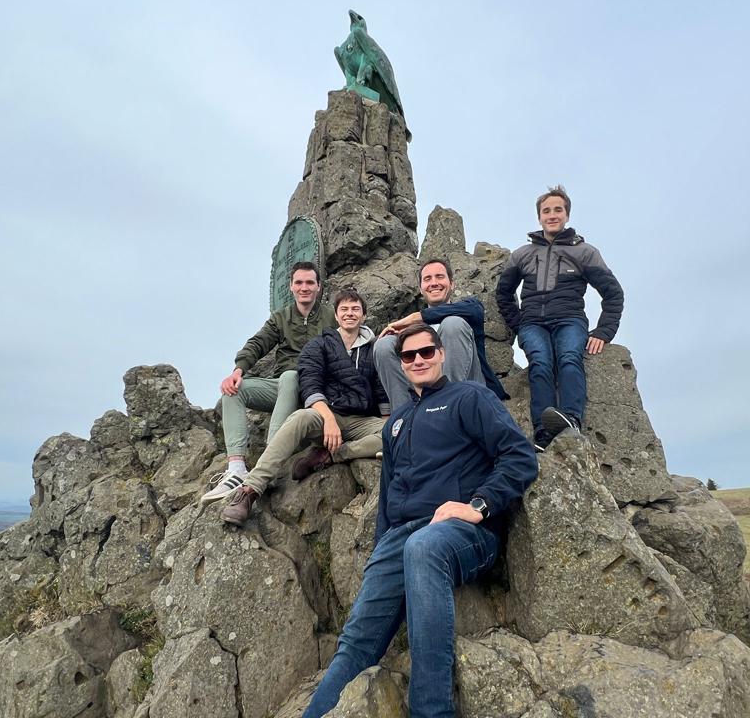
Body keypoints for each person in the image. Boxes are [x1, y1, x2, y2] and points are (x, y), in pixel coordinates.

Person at [303, 323, 537, 718]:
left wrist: (478, 505)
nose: (418, 361)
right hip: (401, 538)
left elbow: (519, 456)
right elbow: (388, 494)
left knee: (423, 546)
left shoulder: (471, 397)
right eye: (409, 356)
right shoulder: (397, 421)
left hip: (462, 533)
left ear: (441, 353)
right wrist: (381, 549)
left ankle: (432, 712)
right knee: (357, 639)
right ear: (401, 364)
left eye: (426, 352)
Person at [220, 289, 389, 525]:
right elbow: (310, 384)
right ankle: (250, 490)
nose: (350, 314)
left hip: (361, 419)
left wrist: (387, 422)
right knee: (299, 418)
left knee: (394, 432)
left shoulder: (374, 349)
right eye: (344, 309)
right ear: (337, 316)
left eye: (355, 309)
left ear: (363, 315)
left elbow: (381, 388)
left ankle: (335, 455)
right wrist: (329, 420)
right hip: (325, 414)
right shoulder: (319, 344)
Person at [496, 185, 624, 450]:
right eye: (546, 211)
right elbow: (503, 293)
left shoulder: (584, 252)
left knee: (568, 359)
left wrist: (603, 332)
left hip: (570, 320)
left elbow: (613, 294)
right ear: (539, 217)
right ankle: (542, 433)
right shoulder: (522, 254)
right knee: (540, 363)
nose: (552, 214)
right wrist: (518, 324)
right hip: (532, 323)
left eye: (558, 209)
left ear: (566, 214)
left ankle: (572, 420)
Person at [201, 261, 335, 503]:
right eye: (299, 283)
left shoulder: (331, 317)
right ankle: (236, 468)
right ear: (291, 287)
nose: (304, 287)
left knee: (292, 375)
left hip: (315, 393)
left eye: (309, 283)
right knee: (234, 390)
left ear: (318, 287)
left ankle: (267, 464)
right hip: (284, 388)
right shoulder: (280, 318)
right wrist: (238, 370)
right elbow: (258, 343)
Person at [374, 257, 508, 412]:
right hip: (422, 391)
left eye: (440, 277)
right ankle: (405, 416)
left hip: (468, 391)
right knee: (384, 344)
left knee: (452, 324)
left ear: (452, 284)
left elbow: (476, 309)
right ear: (421, 288)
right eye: (427, 279)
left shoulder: (469, 309)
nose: (434, 283)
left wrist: (417, 317)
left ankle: (449, 408)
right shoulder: (413, 328)